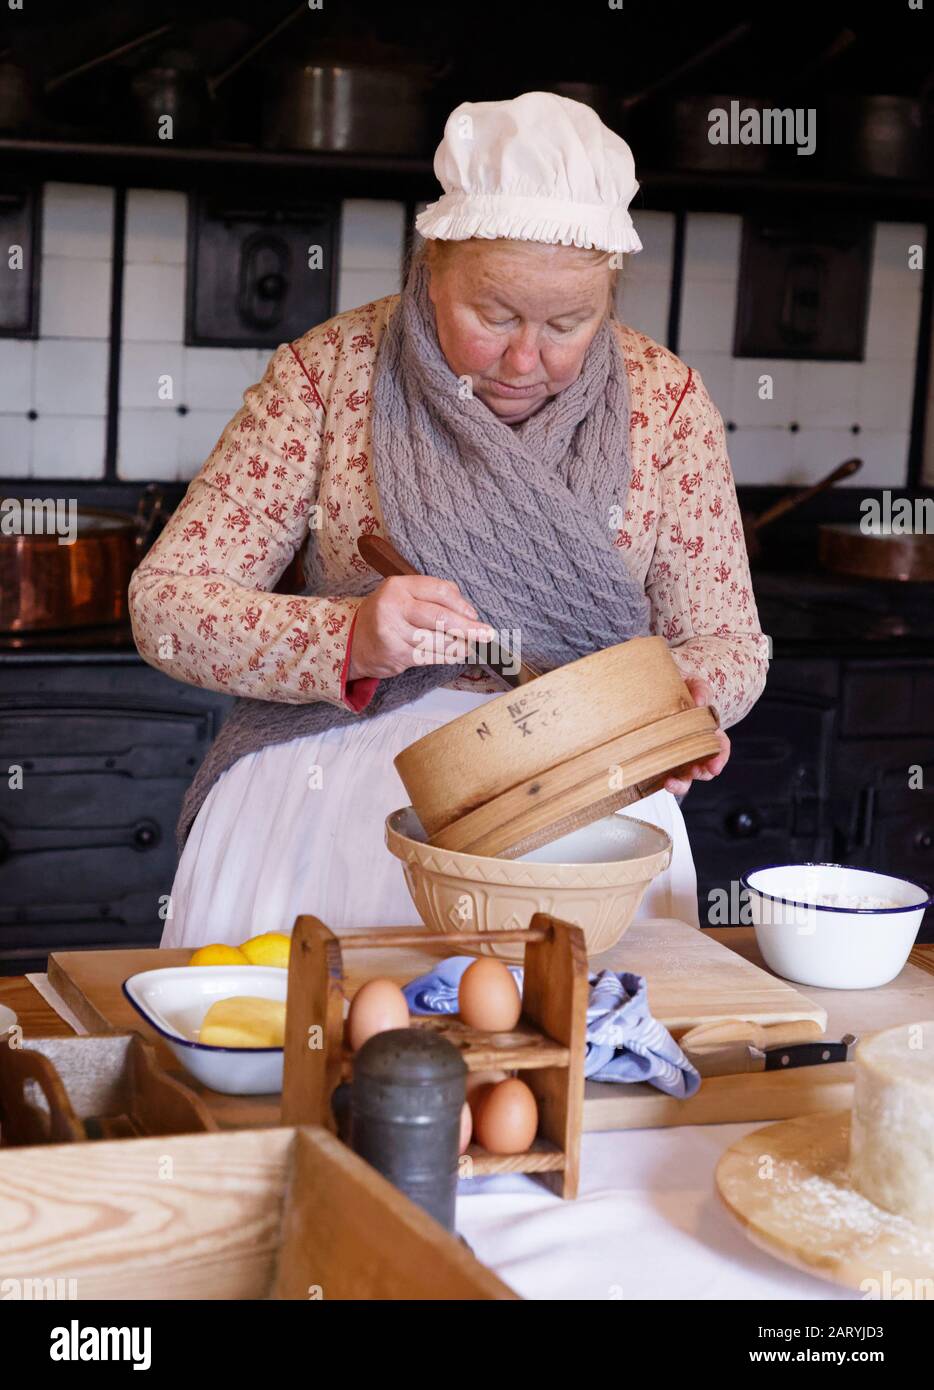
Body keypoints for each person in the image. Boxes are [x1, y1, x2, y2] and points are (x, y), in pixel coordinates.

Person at [128, 92, 768, 949]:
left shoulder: (667, 402)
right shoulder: (331, 376)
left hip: (581, 803)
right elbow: (165, 610)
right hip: (337, 807)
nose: (523, 358)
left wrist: (676, 711)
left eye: (568, 324)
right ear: (429, 266)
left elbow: (731, 643)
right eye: (493, 315)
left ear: (608, 297)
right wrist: (349, 638)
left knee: (589, 1074)